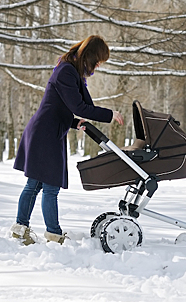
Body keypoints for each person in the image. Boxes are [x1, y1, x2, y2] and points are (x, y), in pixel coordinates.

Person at [10, 35, 124, 245]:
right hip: (45, 134)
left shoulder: (71, 72)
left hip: (48, 131)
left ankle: (20, 228)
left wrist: (74, 123)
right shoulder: (66, 72)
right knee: (49, 186)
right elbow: (78, 107)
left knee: (34, 185)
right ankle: (53, 234)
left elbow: (60, 107)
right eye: (98, 61)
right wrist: (110, 115)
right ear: (89, 56)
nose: (98, 66)